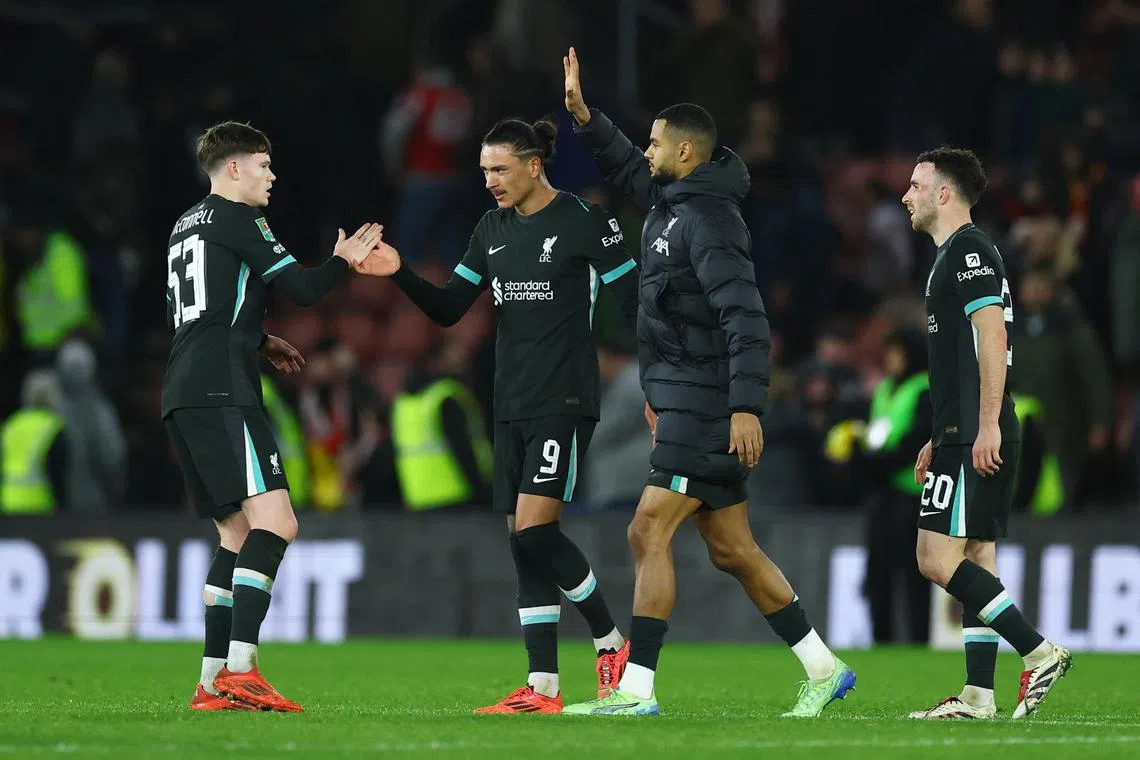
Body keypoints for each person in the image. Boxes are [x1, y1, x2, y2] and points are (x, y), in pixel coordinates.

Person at [561, 47, 853, 718]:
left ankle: (636, 691)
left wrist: (746, 408)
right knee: (731, 548)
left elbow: (747, 318)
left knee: (646, 530)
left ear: (687, 153)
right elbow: (629, 167)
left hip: (711, 402)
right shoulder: (674, 200)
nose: (647, 150)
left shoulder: (711, 220)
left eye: (657, 142)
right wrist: (584, 117)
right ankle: (823, 666)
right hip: (686, 397)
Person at [355, 117, 641, 714]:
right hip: (510, 402)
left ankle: (611, 641)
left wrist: (658, 382)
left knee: (536, 530)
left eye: (500, 169)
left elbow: (638, 302)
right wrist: (400, 272)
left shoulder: (585, 224)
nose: (489, 181)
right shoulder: (491, 229)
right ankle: (542, 687)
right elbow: (450, 308)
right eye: (484, 170)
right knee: (522, 542)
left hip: (564, 400)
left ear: (535, 165)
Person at [163, 121, 381, 712]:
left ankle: (211, 684)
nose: (271, 175)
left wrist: (257, 338)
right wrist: (344, 260)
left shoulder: (186, 225)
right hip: (222, 393)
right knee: (278, 524)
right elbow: (305, 290)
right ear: (233, 169)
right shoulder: (240, 218)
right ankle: (242, 670)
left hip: (183, 390)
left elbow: (204, 311)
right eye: (263, 165)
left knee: (234, 535)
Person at [902, 146, 1071, 720]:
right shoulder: (955, 254)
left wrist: (984, 424)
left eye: (917, 185)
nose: (908, 195)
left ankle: (1040, 652)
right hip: (964, 427)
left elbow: (991, 338)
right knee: (977, 554)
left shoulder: (969, 249)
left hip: (978, 430)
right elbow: (965, 355)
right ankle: (978, 694)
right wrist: (940, 432)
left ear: (943, 194)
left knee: (934, 555)